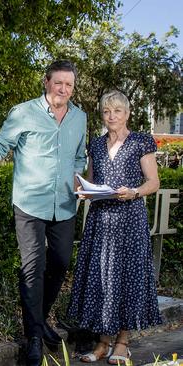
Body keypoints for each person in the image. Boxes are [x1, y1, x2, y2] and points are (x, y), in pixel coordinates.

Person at [0, 60, 87, 366]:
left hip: (66, 205)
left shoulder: (79, 117)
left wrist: (80, 182)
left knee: (59, 263)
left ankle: (40, 320)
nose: (64, 90)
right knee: (33, 267)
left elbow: (79, 156)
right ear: (46, 82)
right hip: (30, 203)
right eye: (59, 83)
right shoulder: (23, 112)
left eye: (69, 84)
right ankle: (33, 337)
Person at [68, 90, 161, 364]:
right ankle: (102, 343)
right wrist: (84, 191)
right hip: (100, 220)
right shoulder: (96, 145)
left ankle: (122, 343)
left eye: (117, 111)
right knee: (101, 279)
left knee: (125, 278)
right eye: (107, 111)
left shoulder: (141, 141)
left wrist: (133, 191)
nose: (112, 116)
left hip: (129, 220)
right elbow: (90, 181)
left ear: (127, 113)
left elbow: (153, 182)